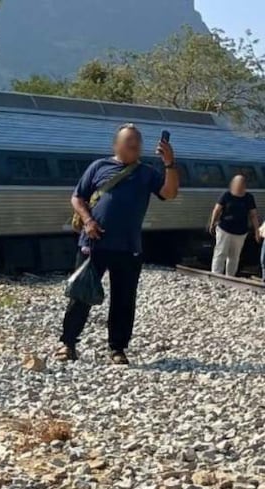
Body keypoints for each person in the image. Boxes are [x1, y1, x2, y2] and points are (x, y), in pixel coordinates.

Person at [57, 123, 179, 365]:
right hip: (94, 243)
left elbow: (170, 193)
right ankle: (67, 343)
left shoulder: (146, 172)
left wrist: (169, 164)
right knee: (80, 295)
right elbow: (77, 197)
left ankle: (117, 348)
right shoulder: (98, 167)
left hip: (128, 246)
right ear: (116, 144)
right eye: (129, 140)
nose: (135, 144)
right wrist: (88, 220)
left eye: (138, 141)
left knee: (124, 299)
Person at [209, 174, 258, 277]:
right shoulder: (226, 195)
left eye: (241, 184)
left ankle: (230, 277)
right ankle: (216, 275)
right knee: (220, 252)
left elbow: (253, 215)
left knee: (234, 256)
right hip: (224, 229)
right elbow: (217, 210)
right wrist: (212, 223)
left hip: (240, 232)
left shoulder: (249, 197)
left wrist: (256, 230)